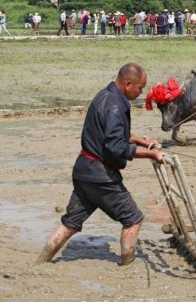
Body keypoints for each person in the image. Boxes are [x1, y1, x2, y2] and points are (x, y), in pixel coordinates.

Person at [32, 63, 166, 268]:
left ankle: (39, 263)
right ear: (128, 83)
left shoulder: (104, 96)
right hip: (101, 176)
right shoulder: (114, 106)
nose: (141, 93)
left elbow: (111, 135)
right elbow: (115, 147)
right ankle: (127, 266)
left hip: (83, 171)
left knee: (70, 223)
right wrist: (152, 154)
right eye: (140, 88)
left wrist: (141, 141)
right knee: (133, 218)